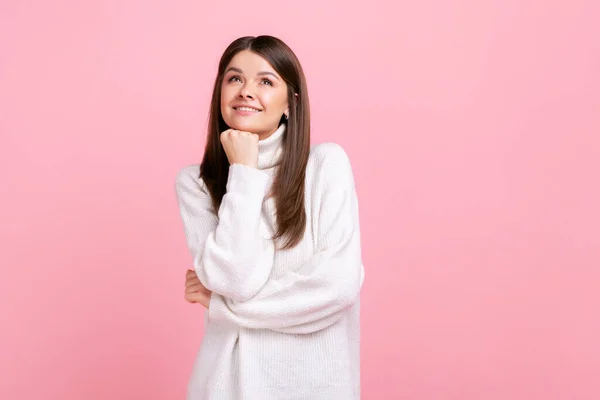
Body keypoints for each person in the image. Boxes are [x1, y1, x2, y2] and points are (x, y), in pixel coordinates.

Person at [174, 35, 365, 400]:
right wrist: (244, 172)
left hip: (316, 386)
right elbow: (238, 279)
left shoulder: (326, 165)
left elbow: (337, 287)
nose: (246, 91)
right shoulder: (196, 184)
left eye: (265, 81)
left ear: (291, 103)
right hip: (225, 385)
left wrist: (223, 307)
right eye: (234, 79)